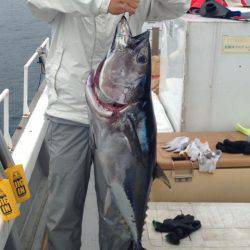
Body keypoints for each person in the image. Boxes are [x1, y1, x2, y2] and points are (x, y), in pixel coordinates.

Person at [26, 0, 188, 249]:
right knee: (62, 213)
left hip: (122, 116)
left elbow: (179, 5)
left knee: (118, 219)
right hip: (70, 112)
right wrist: (102, 4)